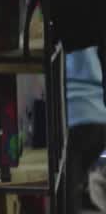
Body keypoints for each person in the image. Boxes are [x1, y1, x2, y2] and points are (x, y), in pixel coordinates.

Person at [67, 47, 106, 211]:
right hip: (100, 118)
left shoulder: (61, 39)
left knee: (69, 198)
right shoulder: (93, 37)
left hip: (75, 117)